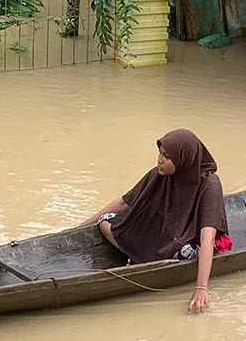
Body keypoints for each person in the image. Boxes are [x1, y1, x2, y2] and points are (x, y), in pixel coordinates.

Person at [80, 129, 229, 314]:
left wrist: (201, 288)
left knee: (184, 252)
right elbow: (124, 202)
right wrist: (80, 226)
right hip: (162, 234)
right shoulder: (158, 175)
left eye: (166, 157)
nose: (159, 160)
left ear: (183, 159)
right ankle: (143, 255)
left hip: (186, 238)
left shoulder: (210, 184)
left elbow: (207, 238)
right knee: (105, 221)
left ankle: (142, 256)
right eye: (160, 153)